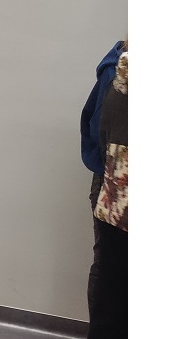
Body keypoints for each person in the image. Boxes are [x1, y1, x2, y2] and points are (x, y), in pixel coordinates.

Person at [80, 40, 127, 339]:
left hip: (113, 182)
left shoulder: (120, 65)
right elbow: (97, 128)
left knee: (110, 271)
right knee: (111, 272)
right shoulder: (119, 68)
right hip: (115, 184)